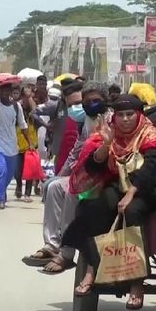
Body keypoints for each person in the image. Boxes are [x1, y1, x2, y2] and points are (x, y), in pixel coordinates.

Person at [63, 94, 156, 310]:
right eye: (121, 115)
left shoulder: (150, 134)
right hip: (116, 186)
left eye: (130, 114)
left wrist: (131, 193)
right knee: (93, 208)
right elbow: (93, 167)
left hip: (146, 191)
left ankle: (137, 282)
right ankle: (93, 267)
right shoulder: (108, 132)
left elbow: (153, 168)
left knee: (132, 210)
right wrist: (107, 144)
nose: (125, 119)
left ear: (138, 115)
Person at [22, 86, 109, 274]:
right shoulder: (86, 121)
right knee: (53, 186)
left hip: (106, 175)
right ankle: (52, 245)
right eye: (84, 102)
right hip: (85, 174)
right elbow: (76, 151)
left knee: (72, 191)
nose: (87, 105)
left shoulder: (113, 119)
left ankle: (66, 253)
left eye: (94, 100)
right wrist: (60, 174)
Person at [0, 81, 33, 210]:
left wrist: (30, 143)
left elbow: (23, 126)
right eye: (2, 91)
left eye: (7, 91)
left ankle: (2, 190)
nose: (4, 93)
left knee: (9, 175)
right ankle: (1, 199)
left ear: (10, 92)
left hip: (12, 147)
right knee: (1, 170)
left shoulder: (16, 107)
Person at [14, 87, 38, 202]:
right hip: (18, 142)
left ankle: (27, 193)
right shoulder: (17, 106)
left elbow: (34, 110)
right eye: (24, 95)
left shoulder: (32, 106)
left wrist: (29, 97)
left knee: (30, 169)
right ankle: (18, 185)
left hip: (31, 142)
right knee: (17, 170)